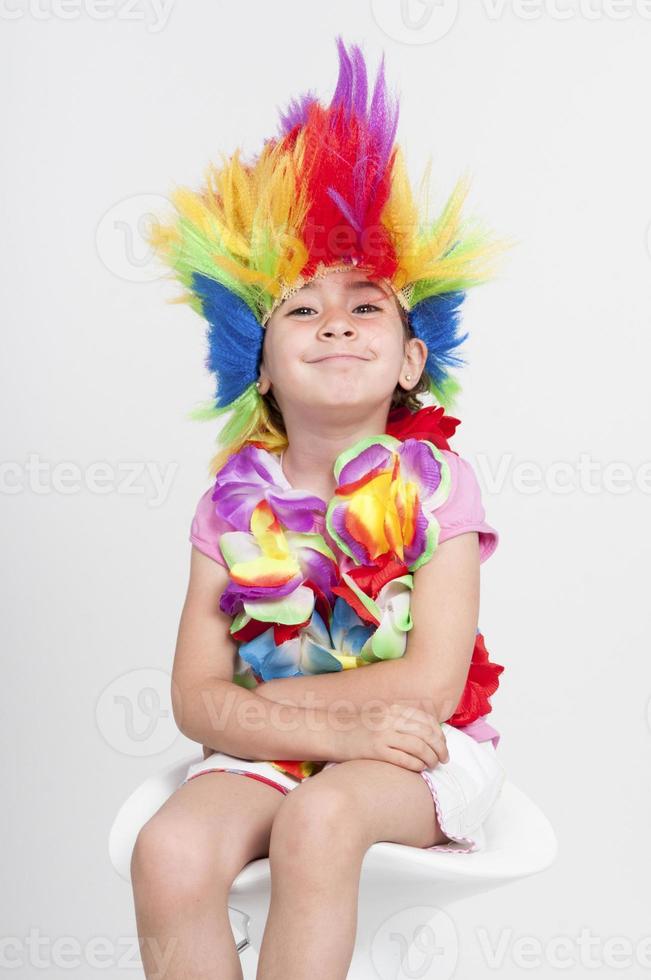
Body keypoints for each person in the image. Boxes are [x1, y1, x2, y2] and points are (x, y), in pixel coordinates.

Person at [130, 36, 509, 980]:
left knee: (321, 819)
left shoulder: (436, 488)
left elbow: (422, 690)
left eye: (366, 306)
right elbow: (193, 701)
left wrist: (256, 709)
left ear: (411, 360)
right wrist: (311, 724)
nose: (334, 321)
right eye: (300, 309)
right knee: (167, 850)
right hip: (281, 750)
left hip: (414, 753)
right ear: (256, 367)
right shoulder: (229, 509)